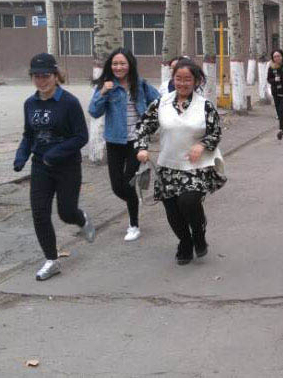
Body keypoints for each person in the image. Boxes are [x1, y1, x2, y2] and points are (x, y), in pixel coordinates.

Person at [13, 53, 95, 281]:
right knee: (39, 213)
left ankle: (81, 219)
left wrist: (56, 153)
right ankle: (51, 260)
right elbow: (29, 135)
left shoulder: (69, 102)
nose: (41, 81)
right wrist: (21, 156)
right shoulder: (30, 104)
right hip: (41, 166)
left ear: (56, 75)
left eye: (46, 76)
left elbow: (81, 136)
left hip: (67, 166)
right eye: (36, 76)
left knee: (66, 212)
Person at [136, 59, 226, 265]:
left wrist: (202, 145)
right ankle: (185, 243)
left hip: (196, 167)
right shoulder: (161, 103)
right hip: (168, 167)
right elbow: (143, 127)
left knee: (188, 202)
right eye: (179, 79)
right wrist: (141, 148)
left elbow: (215, 132)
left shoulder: (204, 106)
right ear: (173, 79)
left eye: (187, 79)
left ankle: (199, 233)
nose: (182, 83)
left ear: (196, 81)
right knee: (173, 211)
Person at [89, 48, 160, 242]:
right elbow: (94, 111)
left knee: (127, 182)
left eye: (122, 63)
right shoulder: (107, 86)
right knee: (117, 187)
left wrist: (151, 124)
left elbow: (160, 102)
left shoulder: (140, 85)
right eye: (115, 64)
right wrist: (103, 92)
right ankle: (134, 200)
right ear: (110, 66)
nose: (118, 67)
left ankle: (134, 225)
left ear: (130, 65)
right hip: (114, 142)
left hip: (136, 142)